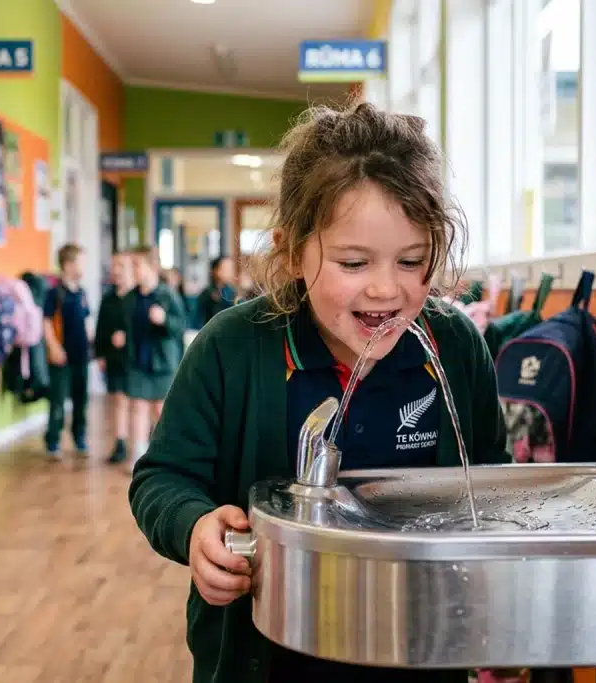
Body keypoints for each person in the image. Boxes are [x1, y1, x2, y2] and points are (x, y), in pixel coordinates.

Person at [128, 101, 512, 683]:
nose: (386, 289)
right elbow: (161, 477)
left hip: (417, 648)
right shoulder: (231, 348)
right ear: (290, 252)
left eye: (412, 260)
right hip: (265, 657)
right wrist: (195, 527)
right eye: (354, 262)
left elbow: (490, 484)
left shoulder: (453, 344)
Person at [122, 245, 187, 469]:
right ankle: (138, 457)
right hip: (137, 360)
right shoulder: (130, 297)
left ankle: (164, 457)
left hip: (162, 363)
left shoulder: (168, 295)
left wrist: (164, 320)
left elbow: (180, 327)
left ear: (152, 267)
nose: (134, 270)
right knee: (137, 408)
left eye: (137, 265)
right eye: (132, 265)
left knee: (161, 410)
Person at [42, 243, 91, 459]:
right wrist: (54, 347)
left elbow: (87, 321)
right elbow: (45, 322)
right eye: (81, 262)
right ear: (68, 264)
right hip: (61, 356)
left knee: (81, 399)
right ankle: (53, 440)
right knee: (58, 400)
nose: (83, 267)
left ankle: (79, 436)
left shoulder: (82, 292)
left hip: (81, 354)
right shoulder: (54, 293)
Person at [94, 250, 134, 464]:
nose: (116, 271)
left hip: (135, 358)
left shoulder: (137, 297)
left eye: (121, 266)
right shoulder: (108, 299)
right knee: (118, 399)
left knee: (137, 402)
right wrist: (100, 354)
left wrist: (128, 337)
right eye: (114, 266)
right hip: (113, 357)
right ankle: (120, 442)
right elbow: (100, 328)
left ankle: (144, 442)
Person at [194, 255, 236, 327]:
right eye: (226, 269)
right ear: (215, 271)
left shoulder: (233, 292)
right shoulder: (206, 294)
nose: (230, 272)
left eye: (231, 269)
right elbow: (198, 319)